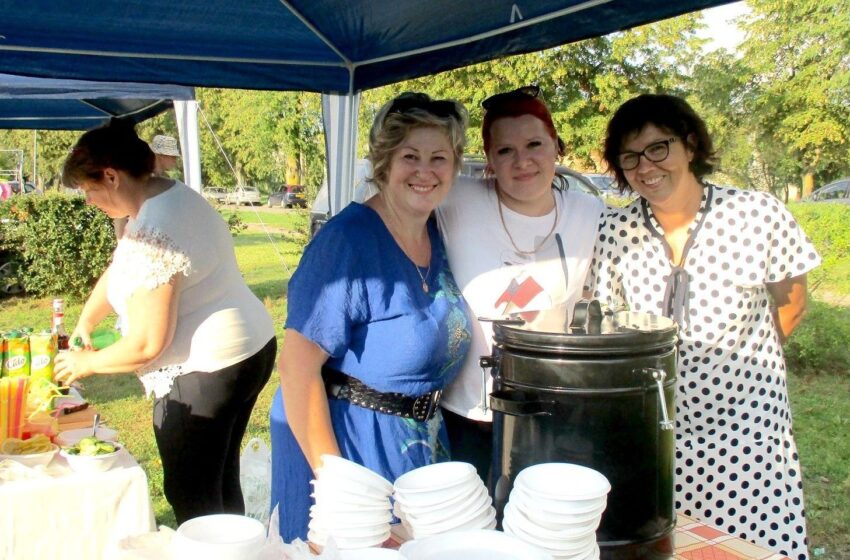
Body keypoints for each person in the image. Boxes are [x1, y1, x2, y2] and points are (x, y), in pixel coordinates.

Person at [588, 93, 820, 560]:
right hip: (657, 433)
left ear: (690, 145)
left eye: (659, 147)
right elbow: (606, 321)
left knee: (754, 547)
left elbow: (791, 303)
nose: (645, 166)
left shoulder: (756, 214)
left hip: (748, 432)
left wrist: (734, 369)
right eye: (629, 156)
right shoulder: (616, 228)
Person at [269, 92, 472, 541]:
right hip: (352, 450)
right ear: (383, 162)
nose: (425, 170)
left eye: (439, 157)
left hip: (421, 450)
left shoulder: (438, 232)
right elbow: (297, 369)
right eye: (410, 156)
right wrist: (343, 495)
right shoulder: (347, 242)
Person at [54, 118, 276, 525]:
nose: (88, 202)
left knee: (192, 491)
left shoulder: (155, 228)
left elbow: (147, 344)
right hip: (249, 348)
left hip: (211, 368)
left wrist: (84, 364)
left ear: (111, 175)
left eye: (89, 190)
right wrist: (87, 319)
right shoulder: (165, 196)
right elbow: (123, 266)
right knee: (219, 478)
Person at [435, 85, 604, 480]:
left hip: (552, 410)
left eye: (534, 145)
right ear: (489, 160)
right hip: (470, 411)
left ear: (556, 147)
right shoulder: (457, 200)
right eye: (505, 151)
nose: (522, 161)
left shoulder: (589, 212)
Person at [113, 134, 181, 240]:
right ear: (162, 156)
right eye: (173, 157)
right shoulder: (140, 177)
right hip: (138, 237)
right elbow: (120, 213)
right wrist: (120, 241)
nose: (175, 161)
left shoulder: (165, 179)